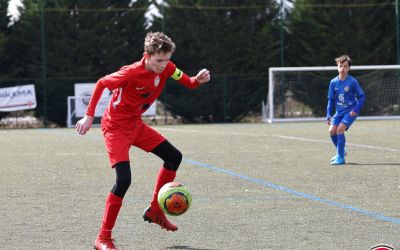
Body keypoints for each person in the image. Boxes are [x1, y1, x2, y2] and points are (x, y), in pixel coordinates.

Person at [75, 31, 211, 250]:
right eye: (159, 60)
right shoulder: (130, 73)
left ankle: (155, 210)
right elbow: (101, 83)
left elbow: (188, 82)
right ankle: (103, 238)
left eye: (166, 59)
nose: (163, 65)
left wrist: (198, 80)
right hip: (116, 128)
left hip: (136, 125)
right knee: (124, 180)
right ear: (146, 55)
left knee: (173, 157)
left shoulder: (168, 67)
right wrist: (89, 116)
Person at [326, 55, 365, 165]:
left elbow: (362, 97)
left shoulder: (352, 82)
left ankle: (340, 157)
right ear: (337, 67)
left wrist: (356, 109)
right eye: (340, 66)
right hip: (339, 112)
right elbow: (331, 100)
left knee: (339, 130)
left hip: (351, 111)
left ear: (349, 68)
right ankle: (341, 150)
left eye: (345, 66)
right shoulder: (333, 82)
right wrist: (328, 114)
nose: (342, 68)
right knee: (331, 131)